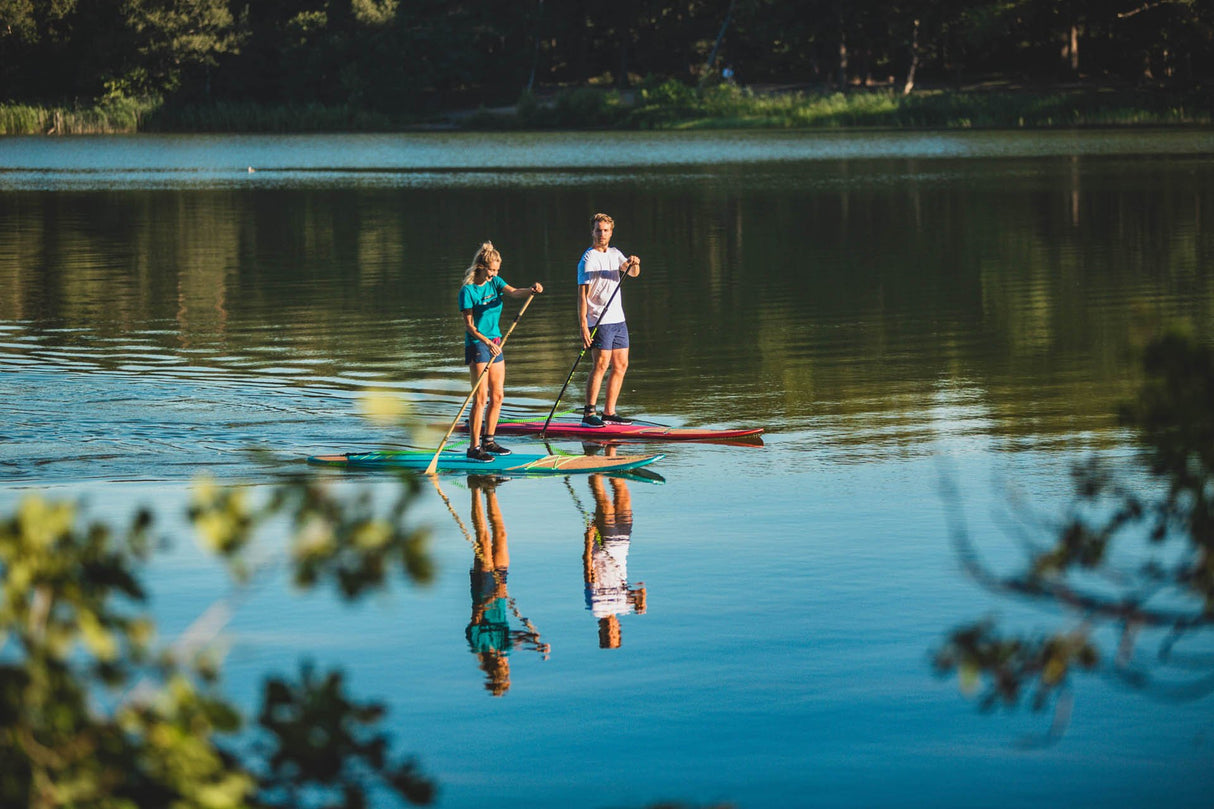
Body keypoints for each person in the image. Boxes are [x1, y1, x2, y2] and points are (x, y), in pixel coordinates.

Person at [459, 241, 542, 461]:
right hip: (478, 344)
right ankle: (474, 448)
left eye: (497, 270)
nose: (494, 274)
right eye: (491, 270)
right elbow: (469, 327)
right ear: (481, 267)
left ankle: (489, 441)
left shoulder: (495, 283)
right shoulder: (467, 291)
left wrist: (530, 290)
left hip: (496, 343)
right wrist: (487, 342)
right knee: (481, 398)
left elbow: (514, 292)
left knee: (497, 395)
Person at [577, 213, 640, 428]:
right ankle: (589, 414)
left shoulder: (615, 254)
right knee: (601, 365)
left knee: (621, 365)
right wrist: (584, 326)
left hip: (618, 319)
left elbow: (633, 273)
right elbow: (582, 295)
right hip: (598, 319)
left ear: (611, 232)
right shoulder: (588, 259)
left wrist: (633, 262)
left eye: (605, 230)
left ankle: (609, 412)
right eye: (598, 230)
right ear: (592, 232)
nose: (602, 234)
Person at [582, 462, 646, 649]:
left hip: (604, 547)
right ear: (619, 629)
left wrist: (588, 539)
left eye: (607, 634)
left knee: (604, 501)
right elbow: (641, 587)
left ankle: (592, 461)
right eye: (614, 633)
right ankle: (611, 454)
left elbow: (587, 570)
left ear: (601, 631)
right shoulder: (625, 607)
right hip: (622, 544)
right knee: (623, 495)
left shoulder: (595, 607)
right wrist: (641, 603)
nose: (611, 630)